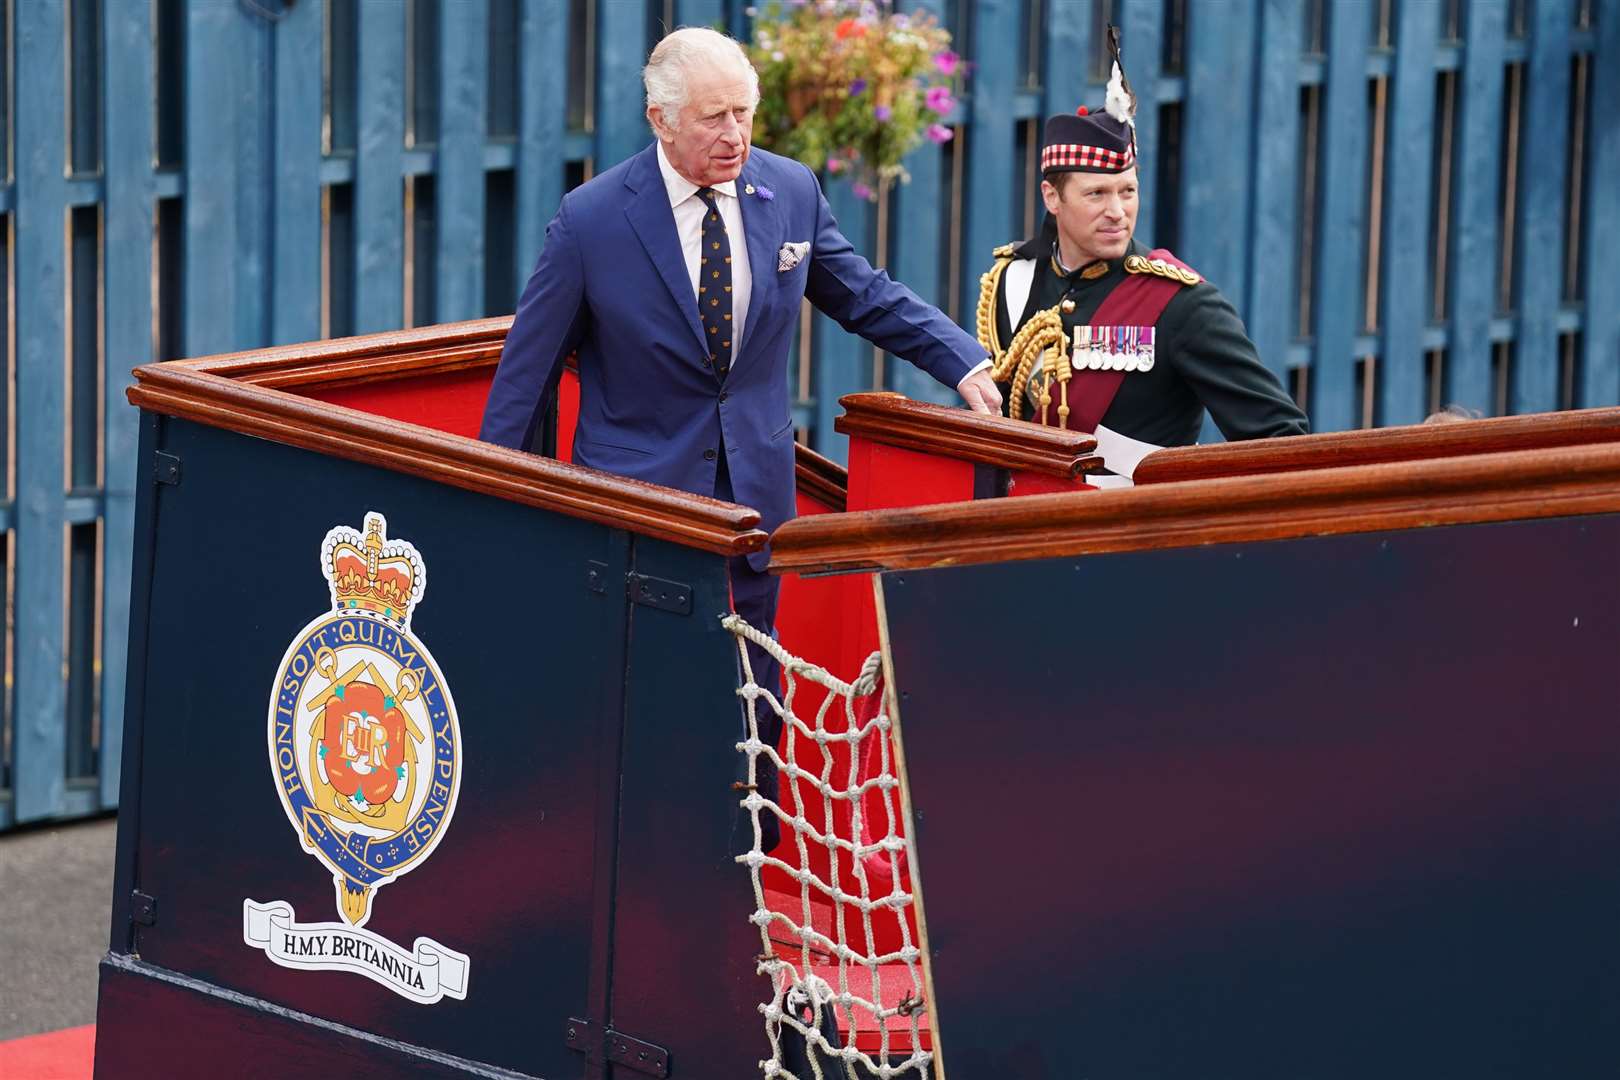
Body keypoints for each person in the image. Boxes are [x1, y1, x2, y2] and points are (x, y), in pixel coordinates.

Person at [479, 27, 1000, 849]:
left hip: (755, 494)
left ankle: (750, 866)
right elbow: (526, 376)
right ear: (660, 118)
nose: (736, 137)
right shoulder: (590, 221)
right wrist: (503, 508)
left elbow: (862, 293)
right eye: (715, 118)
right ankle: (624, 856)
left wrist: (959, 357)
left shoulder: (788, 191)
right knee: (637, 699)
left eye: (746, 114)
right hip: (635, 504)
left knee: (756, 685)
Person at [976, 34, 1306, 482]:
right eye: (1096, 194)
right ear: (1052, 197)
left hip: (1128, 535)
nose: (1118, 212)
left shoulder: (1184, 305)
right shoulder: (1012, 281)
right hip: (1015, 529)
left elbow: (1281, 440)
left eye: (1127, 191)